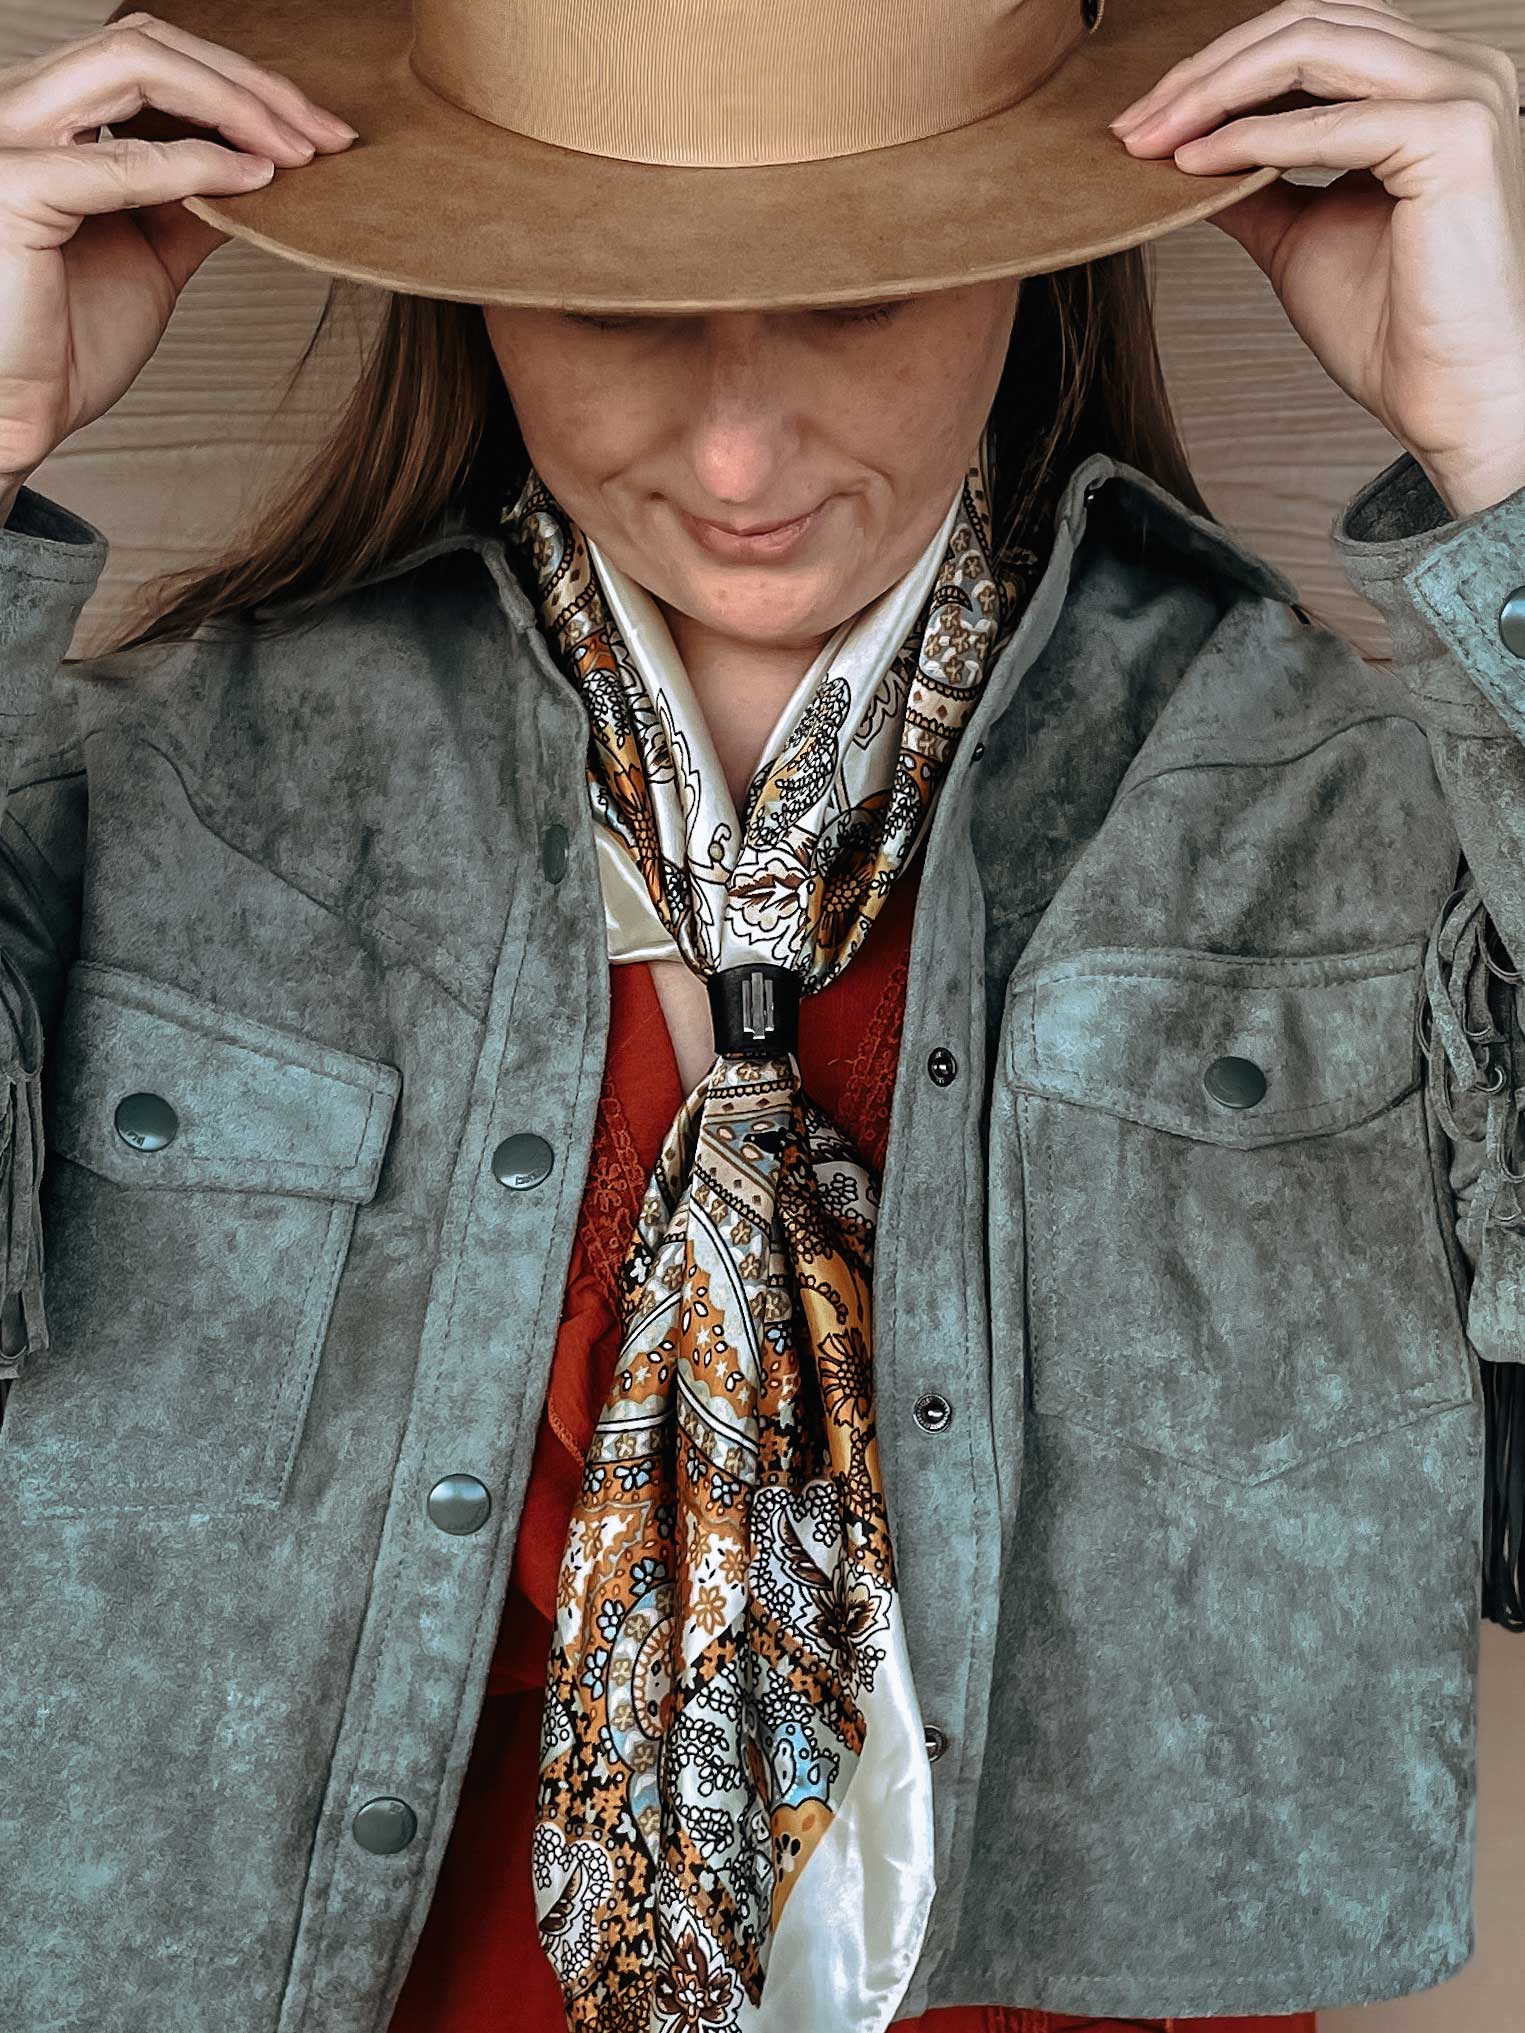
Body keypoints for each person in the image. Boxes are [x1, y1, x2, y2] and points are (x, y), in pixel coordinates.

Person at [0, 2, 1521, 2032]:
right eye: (617, 308)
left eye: (856, 295)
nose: (736, 454)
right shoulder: (156, 799)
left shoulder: (1343, 800)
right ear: (474, 285)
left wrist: (1506, 452)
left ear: (1027, 253)